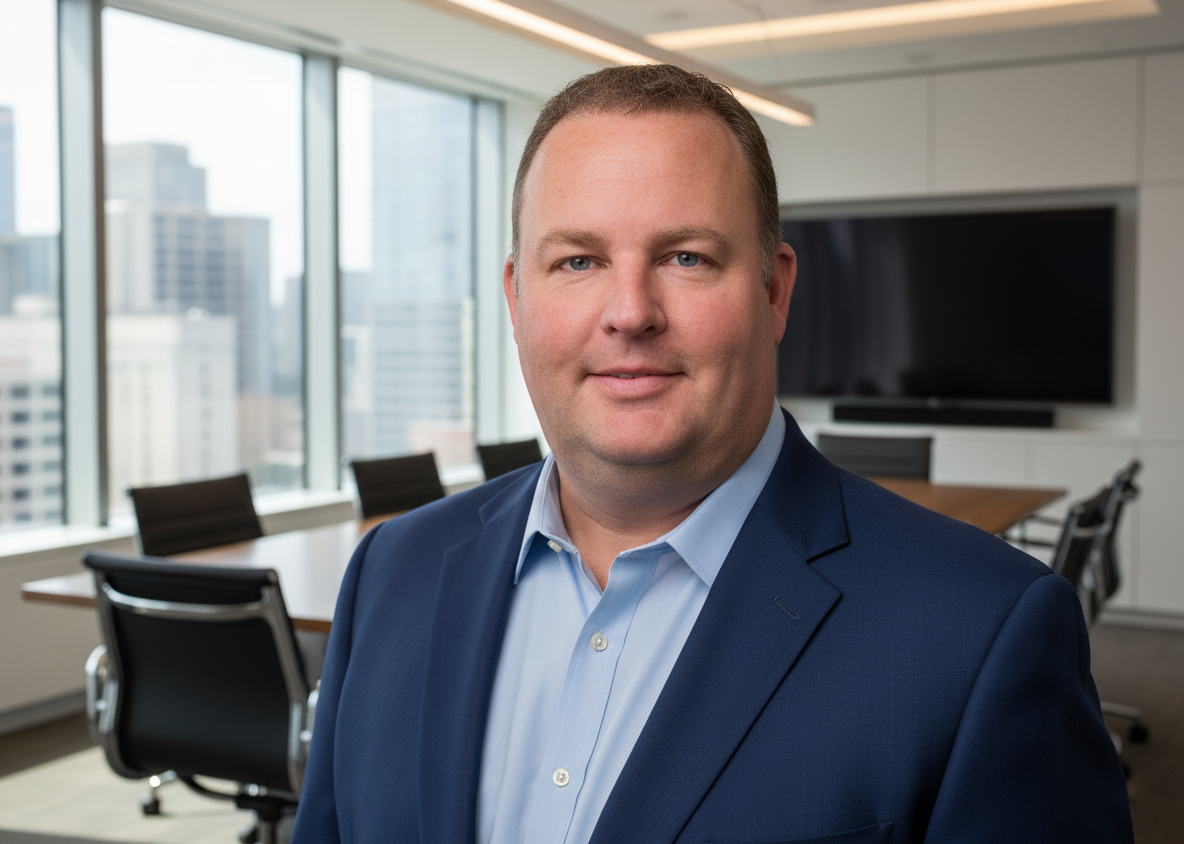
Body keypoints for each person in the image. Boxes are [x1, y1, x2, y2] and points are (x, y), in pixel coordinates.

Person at [292, 64, 1132, 844]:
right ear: (517, 297)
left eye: (685, 257)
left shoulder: (982, 633)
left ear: (774, 289)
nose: (629, 312)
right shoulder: (391, 573)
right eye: (577, 260)